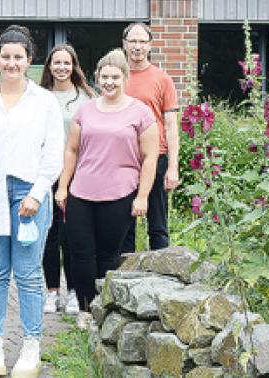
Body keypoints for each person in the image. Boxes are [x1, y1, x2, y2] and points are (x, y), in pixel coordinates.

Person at [0, 25, 64, 377]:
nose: (11, 63)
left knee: (29, 275)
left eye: (18, 57)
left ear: (30, 61)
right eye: (5, 57)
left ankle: (31, 346)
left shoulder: (44, 102)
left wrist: (37, 195)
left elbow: (53, 154)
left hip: (29, 197)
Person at [55, 49, 159, 330]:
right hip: (81, 193)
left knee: (108, 255)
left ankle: (107, 309)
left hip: (120, 194)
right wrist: (63, 187)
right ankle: (87, 309)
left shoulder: (141, 112)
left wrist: (142, 196)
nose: (110, 82)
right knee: (80, 253)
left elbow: (150, 157)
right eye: (105, 77)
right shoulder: (85, 109)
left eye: (115, 77)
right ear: (97, 78)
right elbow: (72, 151)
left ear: (124, 78)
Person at [38, 44, 95, 315]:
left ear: (74, 66)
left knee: (73, 235)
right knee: (49, 234)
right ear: (49, 66)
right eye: (56, 62)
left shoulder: (86, 98)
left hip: (78, 174)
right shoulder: (39, 96)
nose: (61, 67)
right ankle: (52, 292)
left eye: (67, 63)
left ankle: (74, 291)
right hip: (46, 173)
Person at [120, 22, 180, 253]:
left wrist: (173, 167)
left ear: (150, 46)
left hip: (156, 158)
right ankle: (123, 278)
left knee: (158, 226)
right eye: (132, 41)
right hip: (123, 160)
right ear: (124, 44)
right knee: (124, 225)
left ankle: (161, 280)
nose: (137, 46)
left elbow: (171, 126)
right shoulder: (115, 78)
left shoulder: (162, 79)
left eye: (142, 41)